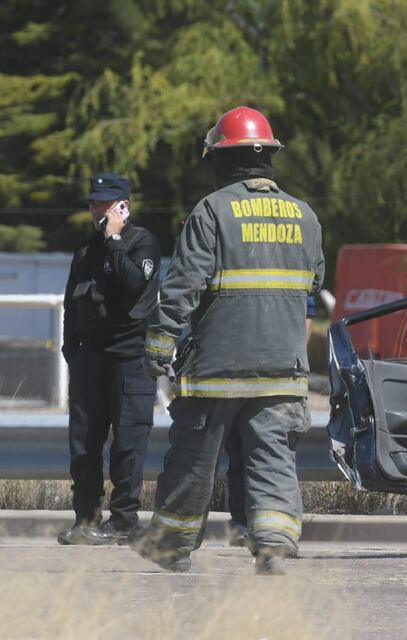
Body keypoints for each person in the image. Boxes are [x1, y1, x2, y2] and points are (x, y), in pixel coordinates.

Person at [133, 106, 325, 575]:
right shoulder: (305, 216)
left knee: (194, 460)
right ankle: (275, 543)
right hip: (283, 367)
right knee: (273, 457)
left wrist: (159, 343)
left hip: (217, 368)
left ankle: (170, 546)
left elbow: (184, 285)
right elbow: (313, 284)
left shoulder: (212, 211)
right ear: (268, 157)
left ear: (222, 159)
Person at [58, 173, 161, 545]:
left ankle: (124, 522)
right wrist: (72, 352)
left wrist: (114, 239)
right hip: (90, 357)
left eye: (104, 203)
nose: (96, 210)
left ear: (123, 207)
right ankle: (85, 519)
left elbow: (134, 283)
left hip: (131, 358)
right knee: (83, 443)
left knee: (128, 442)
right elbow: (72, 302)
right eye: (92, 203)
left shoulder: (142, 242)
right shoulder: (85, 247)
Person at [225, 295, 316, 550]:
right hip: (239, 370)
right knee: (239, 452)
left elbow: (306, 317)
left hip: (279, 374)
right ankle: (244, 524)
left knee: (272, 455)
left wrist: (292, 361)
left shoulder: (293, 262)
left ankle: (274, 532)